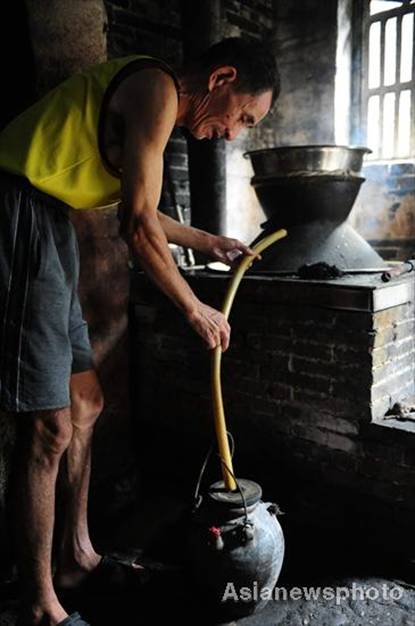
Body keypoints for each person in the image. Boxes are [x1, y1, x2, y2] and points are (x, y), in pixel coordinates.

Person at [0, 36, 279, 626]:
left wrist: (210, 241)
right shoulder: (156, 87)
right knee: (48, 426)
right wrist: (194, 308)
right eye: (243, 117)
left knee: (85, 401)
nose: (233, 133)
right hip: (16, 211)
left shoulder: (155, 101)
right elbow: (136, 227)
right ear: (221, 78)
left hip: (49, 221)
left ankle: (76, 557)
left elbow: (143, 205)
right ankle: (40, 607)